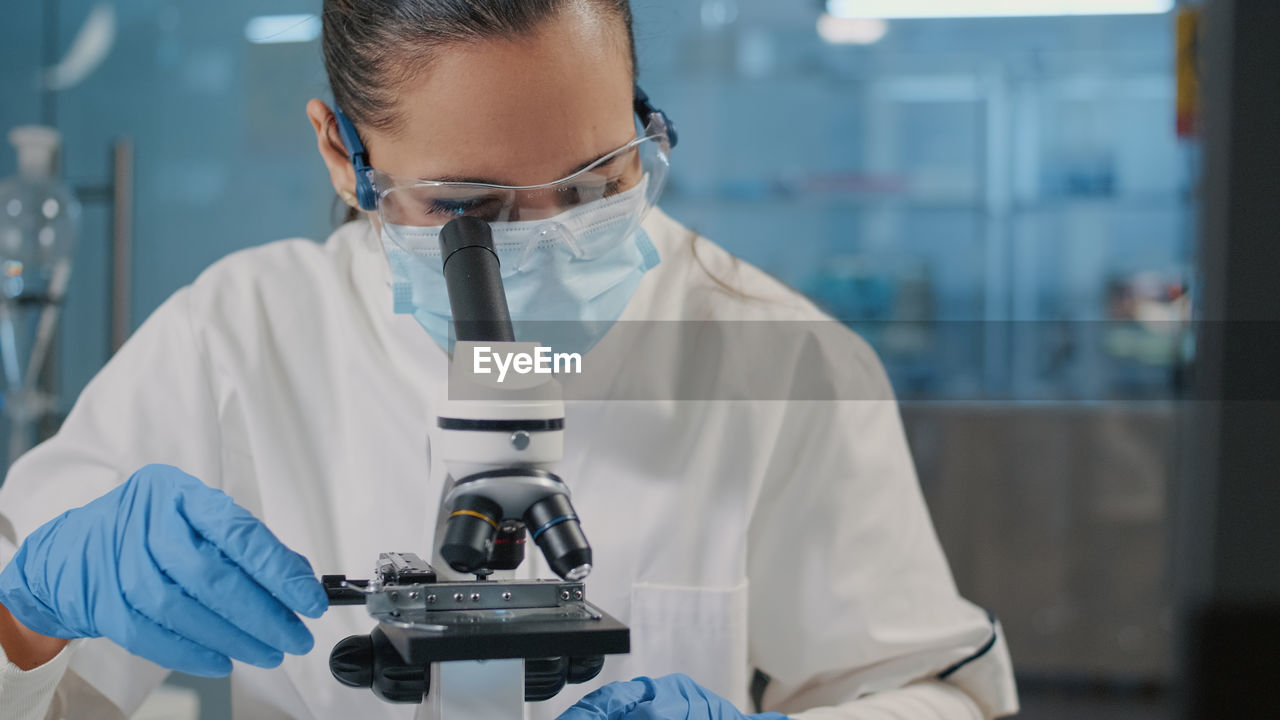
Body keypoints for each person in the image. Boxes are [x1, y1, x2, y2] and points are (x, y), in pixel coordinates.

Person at [0, 1, 1019, 718]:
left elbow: (927, 691)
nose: (549, 248)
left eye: (593, 184)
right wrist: (28, 615)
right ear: (339, 155)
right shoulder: (240, 335)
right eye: (467, 210)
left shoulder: (777, 359)